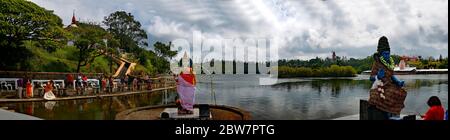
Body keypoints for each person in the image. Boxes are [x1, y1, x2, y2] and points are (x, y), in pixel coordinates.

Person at [367, 36, 408, 120]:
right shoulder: (377, 63)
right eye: (385, 54)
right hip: (379, 85)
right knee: (389, 93)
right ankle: (388, 115)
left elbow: (391, 75)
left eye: (388, 53)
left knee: (401, 92)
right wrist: (377, 76)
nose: (387, 55)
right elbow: (371, 77)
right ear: (381, 54)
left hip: (389, 84)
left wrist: (398, 82)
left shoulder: (389, 63)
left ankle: (394, 114)